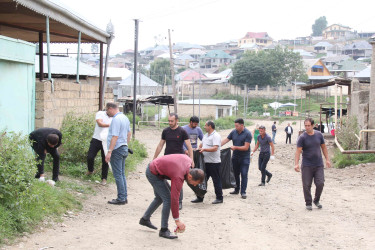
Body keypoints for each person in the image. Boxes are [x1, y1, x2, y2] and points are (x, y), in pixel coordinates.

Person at [139, 154, 204, 239]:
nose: (195, 185)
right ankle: (164, 230)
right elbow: (175, 199)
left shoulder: (189, 162)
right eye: (195, 183)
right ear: (190, 176)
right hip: (153, 172)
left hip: (157, 169)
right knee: (168, 199)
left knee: (160, 197)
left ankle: (145, 219)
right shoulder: (178, 176)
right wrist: (177, 220)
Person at [153, 113, 194, 210]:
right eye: (169, 121)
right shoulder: (165, 131)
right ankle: (166, 198)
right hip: (167, 159)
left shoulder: (182, 131)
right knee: (162, 179)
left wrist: (191, 160)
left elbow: (189, 146)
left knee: (178, 181)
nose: (170, 123)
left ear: (177, 120)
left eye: (172, 121)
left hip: (179, 161)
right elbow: (160, 145)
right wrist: (154, 158)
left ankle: (179, 202)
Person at [295, 118, 331, 211]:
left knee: (320, 183)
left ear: (313, 125)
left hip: (318, 164)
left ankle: (316, 200)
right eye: (305, 126)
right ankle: (308, 202)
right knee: (306, 185)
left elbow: (324, 148)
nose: (307, 127)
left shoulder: (319, 135)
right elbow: (298, 151)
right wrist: (296, 164)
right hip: (307, 164)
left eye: (308, 125)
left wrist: (327, 159)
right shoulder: (302, 137)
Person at [105, 102, 131, 205]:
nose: (107, 112)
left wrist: (109, 151)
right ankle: (124, 197)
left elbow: (114, 136)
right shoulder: (125, 118)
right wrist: (126, 144)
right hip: (123, 147)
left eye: (107, 110)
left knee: (118, 175)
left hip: (117, 149)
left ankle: (121, 198)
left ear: (111, 109)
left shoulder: (116, 119)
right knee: (122, 174)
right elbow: (129, 133)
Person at [191, 121, 223, 204]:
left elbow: (215, 148)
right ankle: (200, 197)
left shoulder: (216, 136)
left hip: (214, 163)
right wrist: (199, 148)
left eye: (205, 126)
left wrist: (204, 149)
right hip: (205, 162)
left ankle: (219, 198)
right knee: (202, 180)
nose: (204, 127)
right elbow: (201, 145)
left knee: (216, 180)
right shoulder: (205, 135)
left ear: (210, 126)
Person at [221, 118, 252, 199]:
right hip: (235, 156)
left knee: (244, 174)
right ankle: (236, 189)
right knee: (235, 174)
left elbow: (246, 147)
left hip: (245, 157)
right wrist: (217, 146)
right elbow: (226, 140)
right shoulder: (233, 132)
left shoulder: (248, 133)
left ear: (242, 125)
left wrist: (235, 147)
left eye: (237, 126)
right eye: (235, 126)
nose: (236, 127)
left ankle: (243, 192)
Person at [86, 109, 112, 185]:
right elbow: (100, 123)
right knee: (90, 157)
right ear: (109, 109)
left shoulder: (115, 117)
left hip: (107, 141)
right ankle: (90, 170)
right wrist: (110, 125)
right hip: (96, 139)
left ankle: (104, 178)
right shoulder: (100, 113)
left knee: (105, 160)